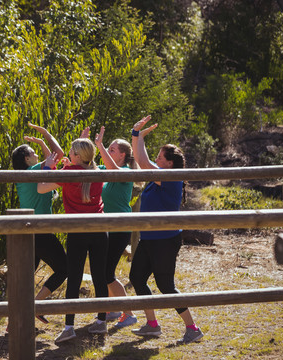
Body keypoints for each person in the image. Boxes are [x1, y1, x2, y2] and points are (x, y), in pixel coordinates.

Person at [129, 115, 204, 344]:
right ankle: (152, 325)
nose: (155, 158)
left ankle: (192, 328)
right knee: (137, 277)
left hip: (165, 240)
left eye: (160, 157)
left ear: (169, 163)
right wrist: (137, 134)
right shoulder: (157, 177)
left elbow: (141, 162)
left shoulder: (171, 178)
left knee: (165, 285)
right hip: (149, 238)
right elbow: (142, 160)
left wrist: (137, 136)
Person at [37, 137, 109, 344]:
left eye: (71, 151)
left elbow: (41, 188)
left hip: (77, 231)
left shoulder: (68, 174)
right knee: (99, 277)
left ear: (77, 156)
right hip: (99, 229)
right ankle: (101, 321)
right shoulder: (98, 173)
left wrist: (49, 168)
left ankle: (69, 327)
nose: (68, 152)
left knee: (74, 278)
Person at [11, 122, 68, 324]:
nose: (37, 155)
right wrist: (45, 133)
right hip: (41, 230)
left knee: (26, 276)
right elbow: (58, 154)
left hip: (28, 228)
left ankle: (14, 322)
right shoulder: (32, 172)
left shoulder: (26, 175)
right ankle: (37, 305)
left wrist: (42, 142)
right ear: (27, 159)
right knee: (64, 269)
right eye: (33, 153)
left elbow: (48, 161)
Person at [94, 126, 137, 328]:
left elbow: (112, 169)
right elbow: (92, 168)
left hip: (120, 228)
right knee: (103, 271)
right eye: (108, 148)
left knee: (107, 274)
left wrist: (99, 145)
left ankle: (128, 313)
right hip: (107, 228)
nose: (108, 152)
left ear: (122, 155)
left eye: (112, 149)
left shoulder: (125, 172)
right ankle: (113, 309)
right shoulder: (107, 170)